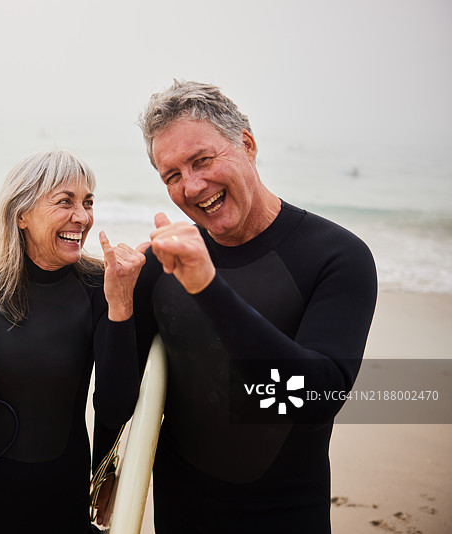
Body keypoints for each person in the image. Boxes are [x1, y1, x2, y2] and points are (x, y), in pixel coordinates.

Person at [131, 81, 378, 533]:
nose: (192, 185)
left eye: (202, 160)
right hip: (180, 514)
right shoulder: (159, 265)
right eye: (172, 175)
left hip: (285, 516)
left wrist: (207, 287)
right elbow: (112, 387)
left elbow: (316, 397)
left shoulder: (337, 257)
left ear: (246, 144)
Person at [0, 149, 145, 534]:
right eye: (65, 202)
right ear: (22, 215)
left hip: (60, 490)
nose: (82, 217)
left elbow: (116, 404)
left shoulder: (99, 286)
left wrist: (121, 304)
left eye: (88, 202)